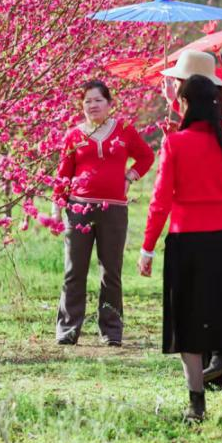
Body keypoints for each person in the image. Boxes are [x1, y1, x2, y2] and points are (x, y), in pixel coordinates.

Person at [139, 75, 222, 423]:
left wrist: (147, 248)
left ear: (187, 104)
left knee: (187, 322)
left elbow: (160, 202)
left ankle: (196, 404)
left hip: (185, 240)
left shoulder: (174, 144)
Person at [55, 80, 155, 346]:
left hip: (114, 210)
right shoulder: (73, 135)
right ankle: (68, 329)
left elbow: (146, 156)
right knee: (74, 270)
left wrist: (131, 175)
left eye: (98, 100)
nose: (92, 105)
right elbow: (63, 174)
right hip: (79, 208)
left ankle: (111, 331)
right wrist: (57, 206)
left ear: (110, 104)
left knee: (111, 271)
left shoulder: (123, 130)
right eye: (87, 101)